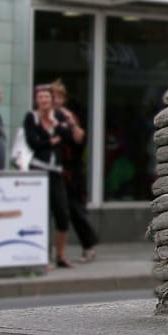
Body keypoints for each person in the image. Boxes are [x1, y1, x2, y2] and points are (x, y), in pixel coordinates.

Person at [23, 84, 76, 268]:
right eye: (40, 98)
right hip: (38, 170)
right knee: (40, 215)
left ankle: (60, 255)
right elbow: (33, 142)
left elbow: (69, 137)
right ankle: (42, 256)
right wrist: (51, 140)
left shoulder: (58, 116)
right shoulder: (31, 117)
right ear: (36, 100)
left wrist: (56, 126)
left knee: (62, 213)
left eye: (47, 97)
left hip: (56, 171)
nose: (44, 100)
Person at [51, 79, 99, 262]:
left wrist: (70, 123)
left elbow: (79, 138)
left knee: (73, 209)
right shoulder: (43, 117)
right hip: (52, 168)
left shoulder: (67, 116)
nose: (53, 100)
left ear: (62, 98)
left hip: (70, 170)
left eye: (56, 96)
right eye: (50, 96)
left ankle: (88, 246)